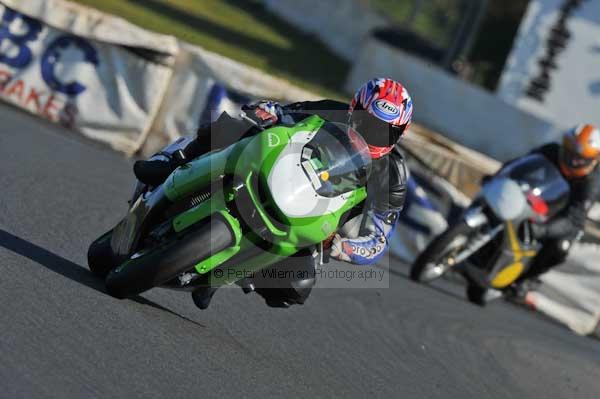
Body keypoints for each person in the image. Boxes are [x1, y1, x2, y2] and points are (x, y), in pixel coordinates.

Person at [134, 78, 413, 308]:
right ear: (354, 110)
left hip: (313, 221)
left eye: (384, 132)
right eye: (369, 124)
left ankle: (226, 274)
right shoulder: (330, 111)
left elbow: (379, 237)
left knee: (295, 287)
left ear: (398, 135)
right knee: (231, 128)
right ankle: (171, 160)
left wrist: (346, 247)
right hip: (278, 174)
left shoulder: (392, 174)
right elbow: (283, 112)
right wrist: (266, 112)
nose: (372, 136)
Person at [502, 124, 600, 302]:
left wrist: (543, 230)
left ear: (593, 160)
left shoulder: (592, 182)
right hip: (538, 197)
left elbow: (574, 219)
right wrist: (499, 176)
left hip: (563, 215)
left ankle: (525, 279)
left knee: (561, 247)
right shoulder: (550, 151)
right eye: (569, 153)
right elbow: (518, 165)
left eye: (580, 159)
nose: (572, 161)